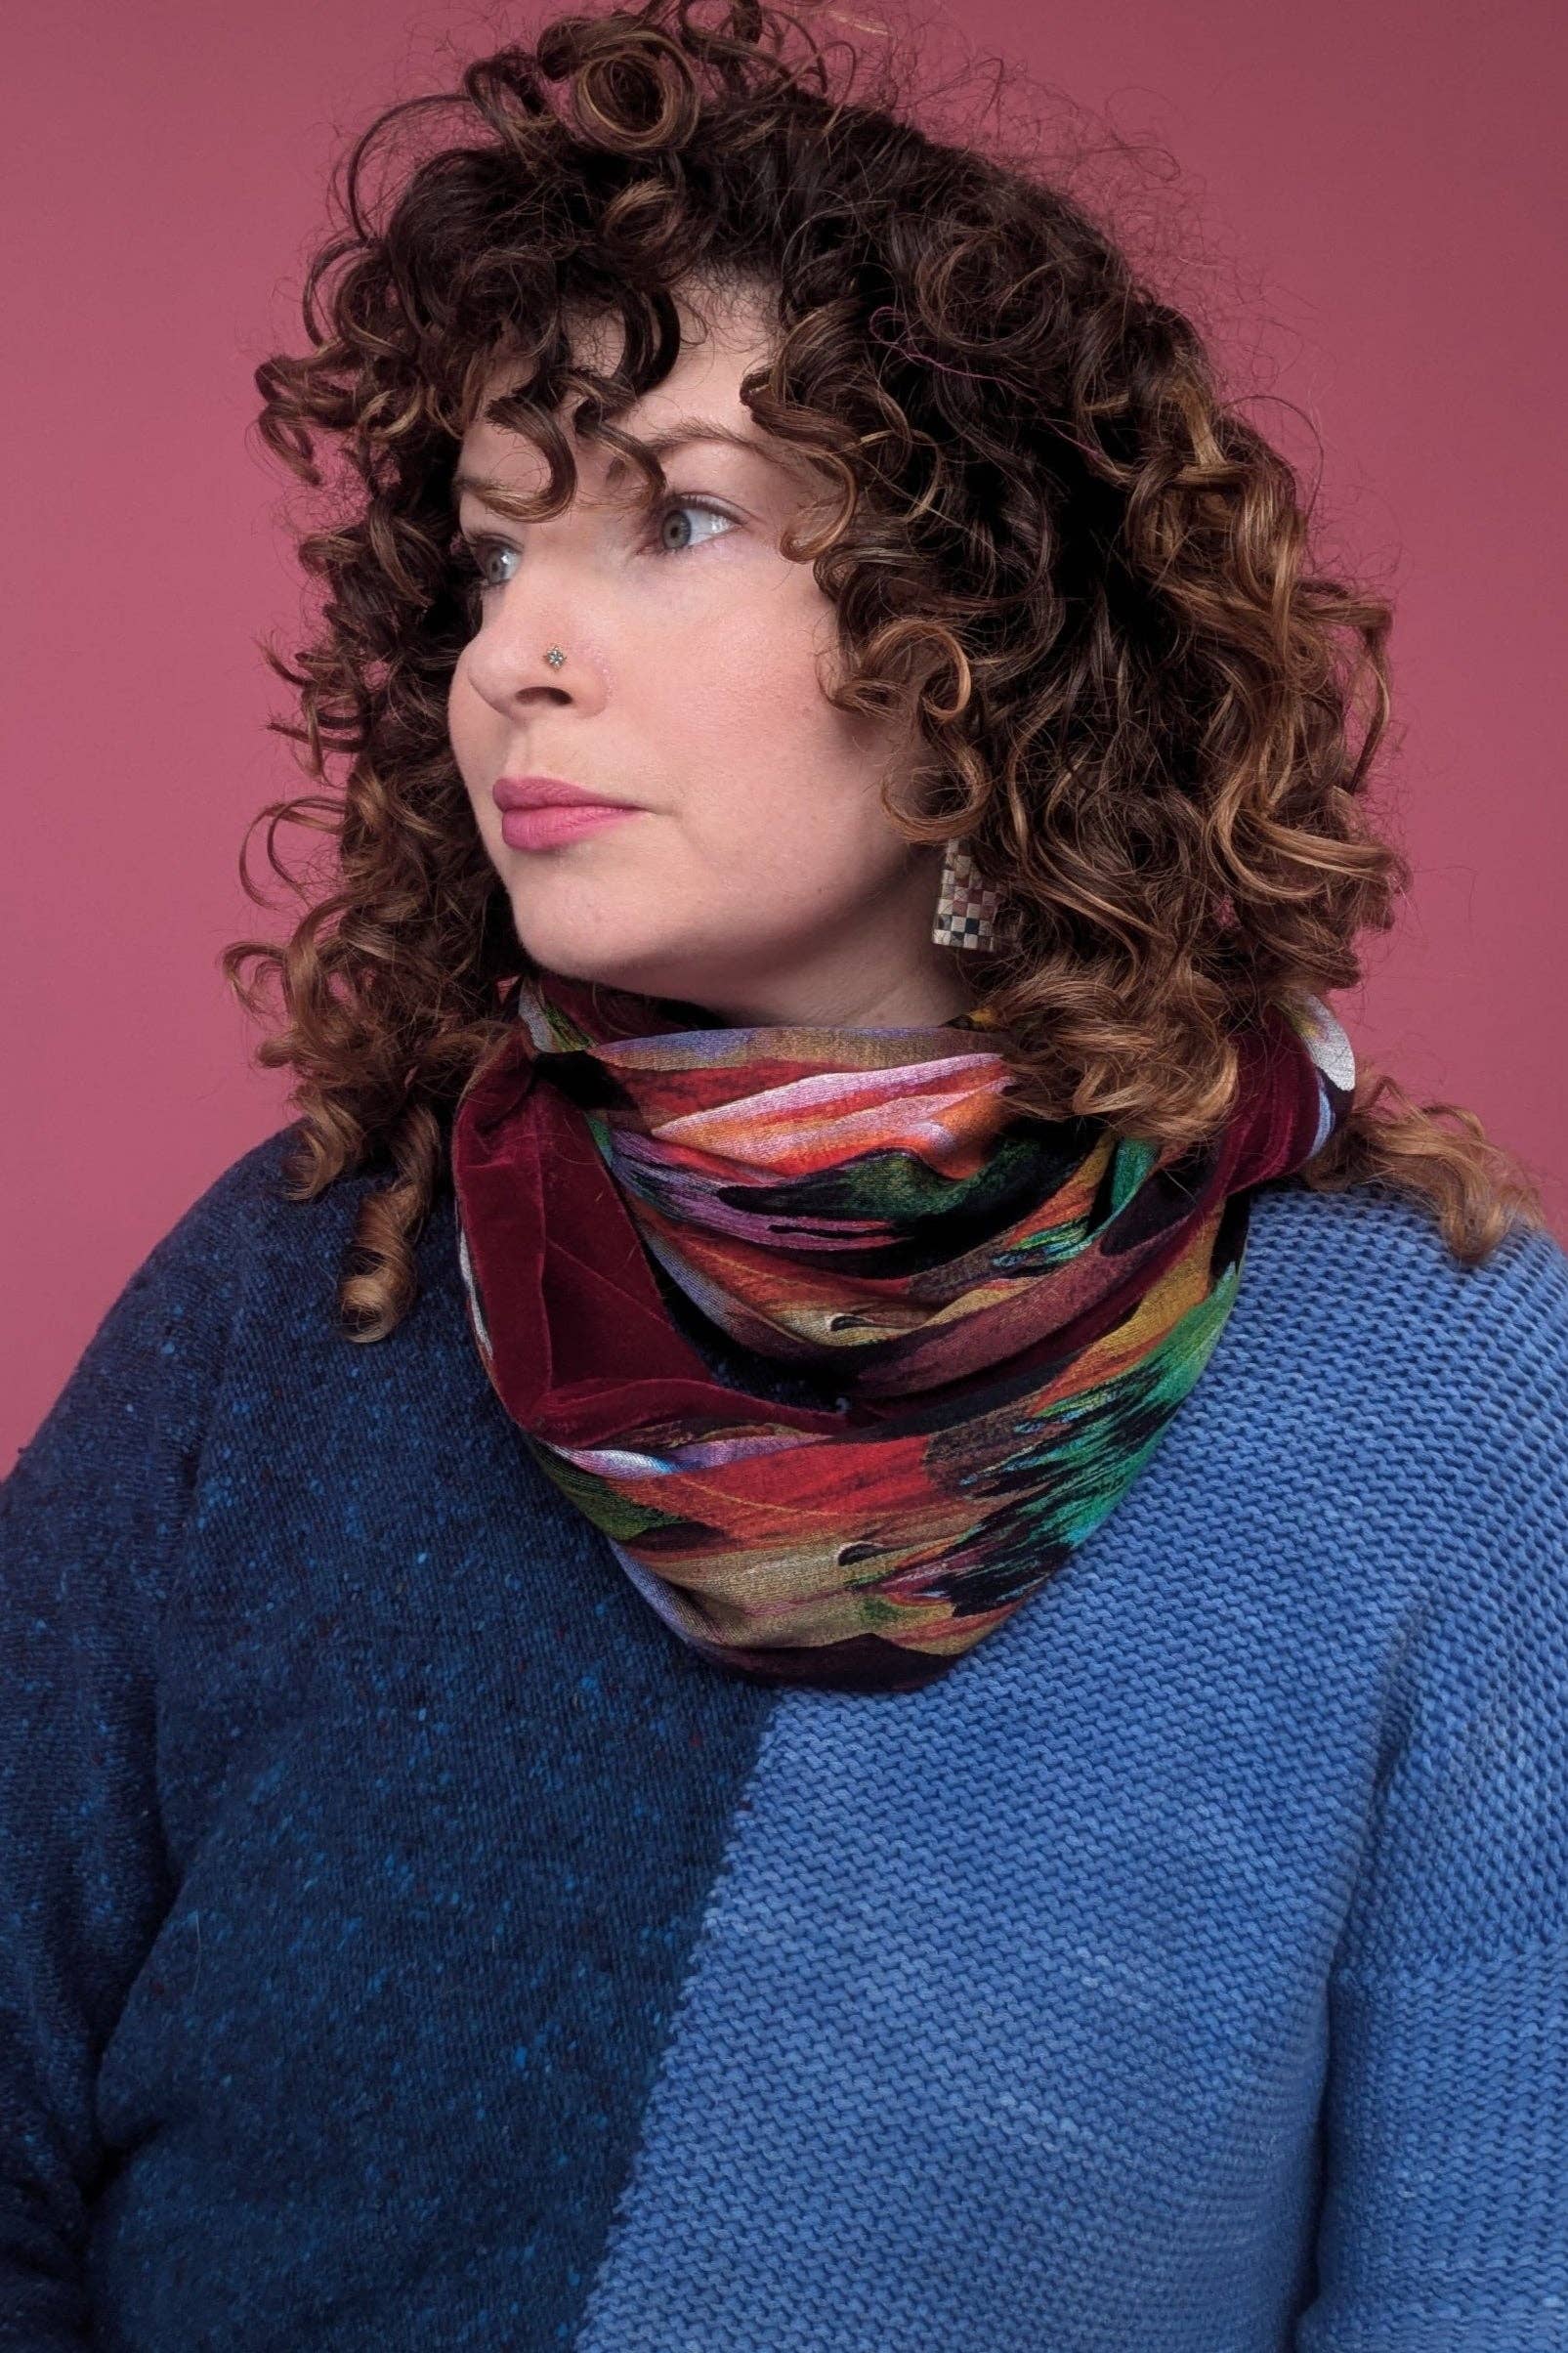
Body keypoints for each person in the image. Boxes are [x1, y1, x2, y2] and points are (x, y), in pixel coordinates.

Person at [3, 3, 1564, 2344]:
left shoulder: (1428, 1393)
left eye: (677, 519)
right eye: (491, 549)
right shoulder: (312, 1283)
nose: (517, 653)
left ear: (985, 632)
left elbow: (1495, 2283)